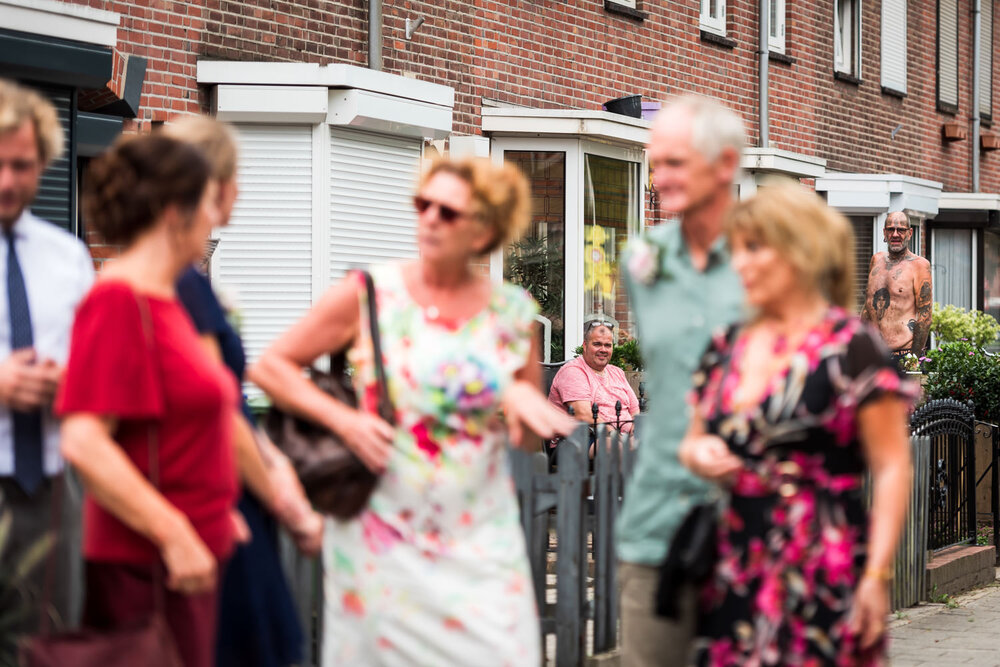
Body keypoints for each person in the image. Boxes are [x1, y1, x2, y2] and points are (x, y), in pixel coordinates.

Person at [250, 156, 576, 665]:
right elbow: (271, 367)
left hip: (479, 540)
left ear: (484, 228)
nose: (429, 218)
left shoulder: (513, 312)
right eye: (423, 204)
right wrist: (345, 420)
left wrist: (515, 404)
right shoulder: (371, 294)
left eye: (448, 211)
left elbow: (527, 441)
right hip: (382, 538)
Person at [679, 180, 915, 665]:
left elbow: (892, 467)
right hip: (736, 563)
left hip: (824, 568)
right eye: (735, 251)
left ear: (799, 252)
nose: (739, 264)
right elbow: (693, 439)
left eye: (754, 249)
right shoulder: (727, 344)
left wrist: (876, 576)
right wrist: (701, 456)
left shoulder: (852, 348)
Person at [55, 134, 244, 667]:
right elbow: (84, 440)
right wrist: (174, 530)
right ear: (173, 213)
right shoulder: (118, 301)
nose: (216, 218)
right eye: (208, 202)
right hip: (148, 567)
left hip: (189, 560)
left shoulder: (167, 301)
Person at [162, 115, 323, 667]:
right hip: (217, 497)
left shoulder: (181, 281)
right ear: (219, 186)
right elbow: (220, 414)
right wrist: (287, 501)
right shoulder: (179, 287)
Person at [616, 95, 746, 667]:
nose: (659, 176)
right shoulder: (643, 261)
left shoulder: (770, 260)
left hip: (753, 521)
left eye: (676, 162)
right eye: (655, 161)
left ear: (724, 165)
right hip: (657, 521)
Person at [0, 78, 94, 634]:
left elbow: (98, 369)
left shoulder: (70, 259)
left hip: (51, 495)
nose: (7, 181)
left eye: (22, 165)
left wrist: (73, 382)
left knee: (51, 645)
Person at [861, 212, 932, 361]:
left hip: (903, 355)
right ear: (884, 233)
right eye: (890, 229)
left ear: (910, 233)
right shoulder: (876, 260)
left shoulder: (919, 265)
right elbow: (867, 307)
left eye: (901, 230)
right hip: (873, 353)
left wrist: (913, 359)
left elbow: (925, 317)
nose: (895, 234)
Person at [548, 320, 639, 432]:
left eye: (607, 345)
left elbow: (635, 411)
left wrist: (634, 434)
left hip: (624, 438)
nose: (603, 350)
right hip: (583, 440)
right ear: (585, 346)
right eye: (597, 344)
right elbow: (584, 415)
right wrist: (618, 438)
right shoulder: (573, 371)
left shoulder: (617, 372)